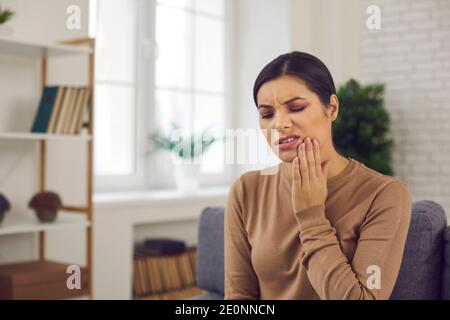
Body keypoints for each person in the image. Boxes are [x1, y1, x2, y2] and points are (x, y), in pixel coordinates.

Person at [224, 51, 412, 300]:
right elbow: (239, 297)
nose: (279, 124)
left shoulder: (384, 194)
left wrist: (311, 216)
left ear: (332, 108)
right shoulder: (246, 189)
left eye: (296, 107)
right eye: (267, 114)